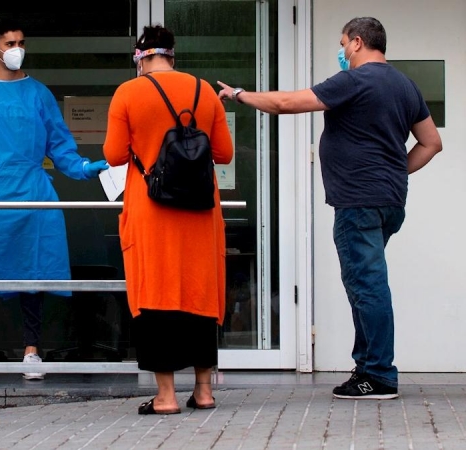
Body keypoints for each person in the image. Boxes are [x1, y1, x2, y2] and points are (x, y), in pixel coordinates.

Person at [218, 17, 442, 400]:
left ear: (357, 42)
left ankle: (379, 375)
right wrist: (393, 172)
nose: (341, 51)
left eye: (342, 43)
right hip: (388, 201)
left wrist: (240, 94)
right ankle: (367, 368)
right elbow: (431, 142)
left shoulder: (354, 80)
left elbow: (287, 103)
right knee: (364, 284)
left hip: (358, 202)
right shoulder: (405, 85)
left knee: (367, 286)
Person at [0, 19, 108, 381]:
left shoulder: (39, 95)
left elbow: (60, 145)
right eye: (10, 42)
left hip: (33, 194)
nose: (17, 48)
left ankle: (32, 350)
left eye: (21, 42)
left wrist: (81, 167)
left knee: (33, 271)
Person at [103, 25, 234, 414]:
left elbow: (113, 154)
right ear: (172, 55)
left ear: (140, 57)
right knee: (199, 293)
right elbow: (224, 153)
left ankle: (165, 396)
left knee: (156, 295)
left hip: (151, 213)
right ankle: (205, 390)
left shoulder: (128, 92)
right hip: (200, 213)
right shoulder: (205, 91)